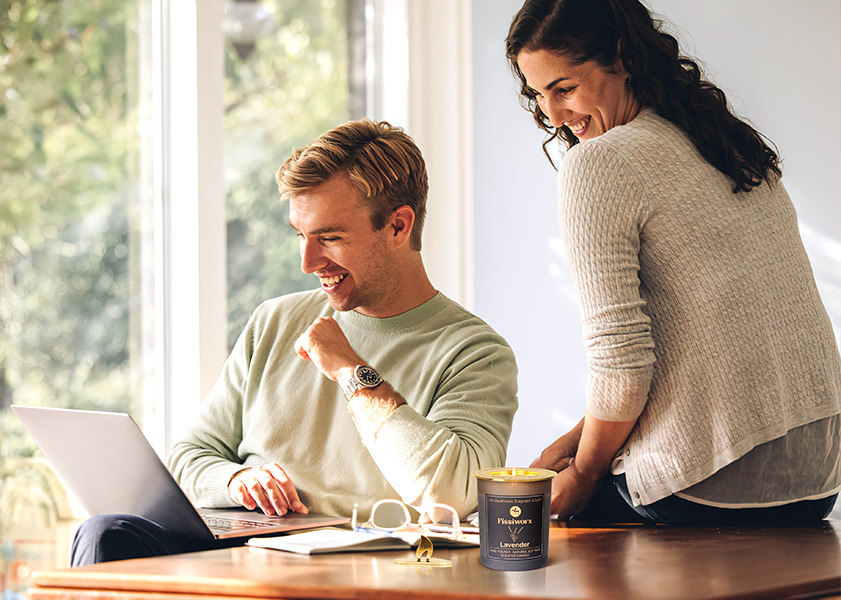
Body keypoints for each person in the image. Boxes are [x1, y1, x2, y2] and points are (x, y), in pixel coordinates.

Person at [70, 120, 519, 566]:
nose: (308, 262)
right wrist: (237, 480)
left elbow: (454, 492)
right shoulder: (274, 320)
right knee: (104, 533)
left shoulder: (474, 352)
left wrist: (350, 372)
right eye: (301, 235)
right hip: (240, 553)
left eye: (330, 238)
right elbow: (189, 456)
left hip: (357, 568)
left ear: (399, 227)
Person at [506, 0, 841, 526]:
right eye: (538, 95)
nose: (553, 117)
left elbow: (622, 365)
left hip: (713, 484)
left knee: (522, 520)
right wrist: (576, 441)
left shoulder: (599, 163)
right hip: (820, 479)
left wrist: (584, 474)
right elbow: (701, 356)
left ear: (620, 59)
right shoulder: (727, 142)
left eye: (565, 88)